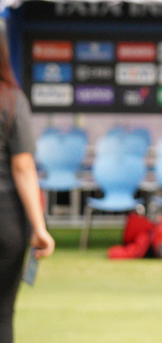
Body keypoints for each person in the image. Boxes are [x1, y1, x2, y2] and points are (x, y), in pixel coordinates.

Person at [0, 28, 55, 343]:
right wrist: (39, 227)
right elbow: (22, 166)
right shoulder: (10, 100)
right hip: (6, 221)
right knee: (2, 314)